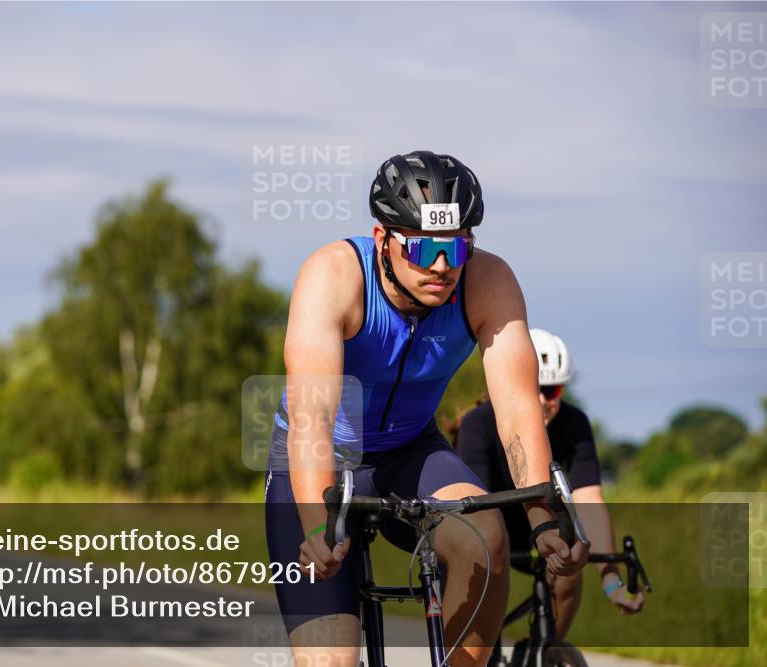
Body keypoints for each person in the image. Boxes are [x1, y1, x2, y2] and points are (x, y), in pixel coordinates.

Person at [263, 151, 588, 667]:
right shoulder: (332, 276)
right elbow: (312, 419)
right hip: (321, 460)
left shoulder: (489, 282)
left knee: (487, 538)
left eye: (455, 248)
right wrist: (313, 526)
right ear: (382, 240)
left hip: (412, 453)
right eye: (422, 247)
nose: (441, 266)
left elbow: (518, 410)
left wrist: (542, 516)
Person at [455, 328, 645, 640]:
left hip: (546, 522)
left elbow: (590, 503)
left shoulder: (575, 423)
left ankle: (549, 649)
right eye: (533, 387)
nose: (542, 400)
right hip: (493, 520)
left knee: (569, 569)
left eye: (552, 390)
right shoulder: (477, 423)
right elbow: (477, 509)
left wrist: (612, 582)